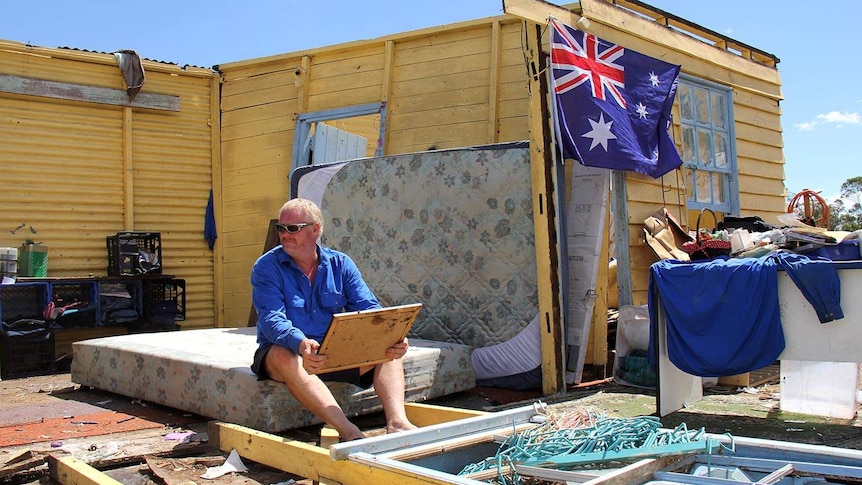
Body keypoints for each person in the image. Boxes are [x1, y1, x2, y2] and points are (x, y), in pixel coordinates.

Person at [250, 198, 417, 441]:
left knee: (388, 346)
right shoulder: (266, 267)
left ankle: (398, 422)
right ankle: (350, 432)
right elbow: (272, 319)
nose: (285, 234)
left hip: (334, 351)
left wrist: (394, 335)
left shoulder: (341, 264)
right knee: (280, 354)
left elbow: (370, 309)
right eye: (281, 228)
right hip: (292, 350)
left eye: (292, 228)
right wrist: (301, 343)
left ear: (315, 229)